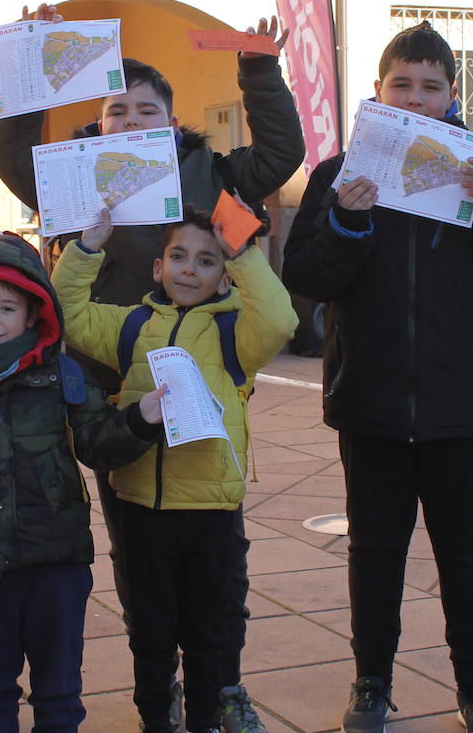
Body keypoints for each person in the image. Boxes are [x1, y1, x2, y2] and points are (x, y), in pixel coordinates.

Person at [0, 2, 304, 732]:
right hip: (113, 393)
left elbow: (279, 157)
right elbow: (9, 160)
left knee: (216, 548)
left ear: (169, 122)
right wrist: (32, 65)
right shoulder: (70, 180)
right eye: (115, 110)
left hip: (205, 376)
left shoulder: (210, 172)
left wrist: (259, 70)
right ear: (99, 125)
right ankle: (154, 686)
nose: (128, 121)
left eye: (144, 110)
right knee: (139, 548)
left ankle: (218, 684)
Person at [282, 22, 473, 733]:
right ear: (378, 91)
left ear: (453, 95)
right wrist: (346, 219)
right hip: (370, 397)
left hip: (464, 401)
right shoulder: (339, 174)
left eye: (432, 86)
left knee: (467, 551)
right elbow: (303, 277)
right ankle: (372, 682)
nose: (417, 98)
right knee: (374, 550)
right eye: (403, 84)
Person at [0, 233, 167, 732]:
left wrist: (139, 421)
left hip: (55, 567)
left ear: (32, 313)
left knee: (59, 688)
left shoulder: (61, 377)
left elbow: (97, 443)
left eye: (6, 308)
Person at [51, 206, 297, 733]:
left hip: (211, 513)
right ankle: (156, 717)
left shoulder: (237, 334)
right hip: (142, 506)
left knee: (211, 631)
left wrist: (245, 252)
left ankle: (206, 718)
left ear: (223, 273)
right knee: (151, 631)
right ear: (158, 268)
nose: (190, 269)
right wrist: (87, 249)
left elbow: (282, 319)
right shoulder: (133, 324)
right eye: (178, 257)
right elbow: (65, 312)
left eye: (207, 261)